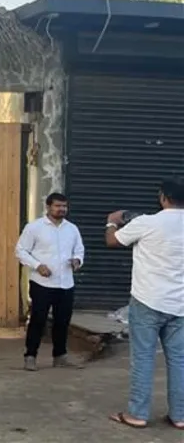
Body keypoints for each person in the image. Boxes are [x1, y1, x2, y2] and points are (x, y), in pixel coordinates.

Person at [104, 177, 184, 430]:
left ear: (163, 197)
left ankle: (138, 414)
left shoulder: (146, 222)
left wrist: (112, 221)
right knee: (179, 361)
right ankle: (180, 416)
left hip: (147, 301)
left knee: (143, 359)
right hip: (180, 305)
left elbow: (112, 241)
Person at [15, 192, 85, 371]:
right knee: (38, 321)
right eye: (57, 206)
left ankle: (60, 356)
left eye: (64, 206)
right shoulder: (34, 227)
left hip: (66, 283)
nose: (61, 209)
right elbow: (21, 250)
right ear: (48, 207)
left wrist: (77, 260)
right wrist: (37, 265)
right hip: (42, 283)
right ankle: (30, 356)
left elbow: (79, 249)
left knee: (63, 321)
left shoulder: (72, 229)